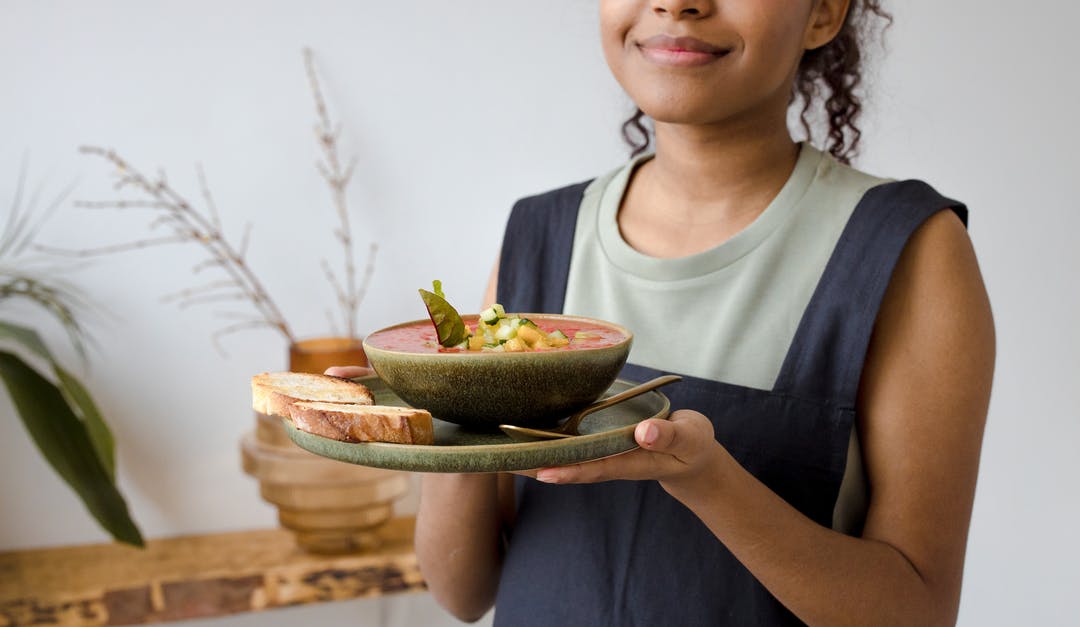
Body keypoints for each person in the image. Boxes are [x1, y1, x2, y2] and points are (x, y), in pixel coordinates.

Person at [333, 1, 994, 625]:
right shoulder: (539, 234)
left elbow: (918, 609)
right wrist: (445, 406)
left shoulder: (909, 250)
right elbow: (464, 590)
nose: (678, 2)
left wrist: (709, 481)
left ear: (823, 10)